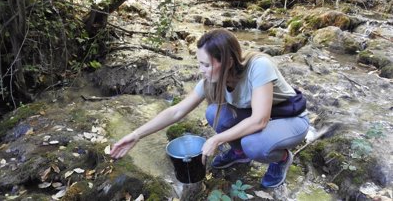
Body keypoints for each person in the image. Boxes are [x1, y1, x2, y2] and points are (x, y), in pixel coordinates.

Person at [110, 28, 309, 188]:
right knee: (214, 113)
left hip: (289, 119)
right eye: (199, 63)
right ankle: (239, 155)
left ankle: (281, 159)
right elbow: (177, 111)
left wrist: (217, 139)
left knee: (253, 144)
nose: (200, 70)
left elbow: (260, 120)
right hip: (260, 118)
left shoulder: (259, 66)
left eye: (205, 64)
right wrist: (136, 134)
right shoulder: (212, 79)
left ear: (228, 62)